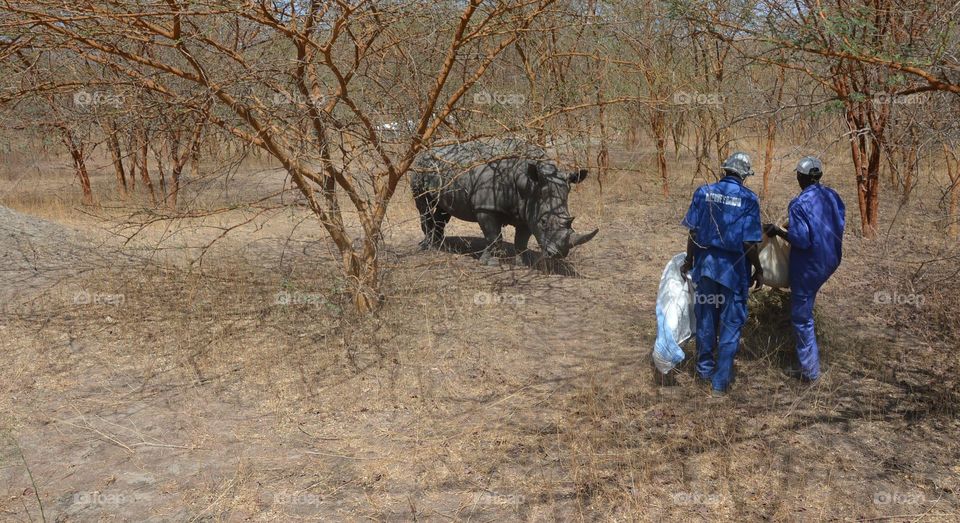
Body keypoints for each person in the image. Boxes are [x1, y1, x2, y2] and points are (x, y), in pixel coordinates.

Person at [680, 152, 764, 396]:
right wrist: (758, 269)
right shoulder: (749, 199)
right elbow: (749, 242)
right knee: (730, 323)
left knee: (706, 319)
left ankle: (704, 372)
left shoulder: (703, 192)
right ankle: (719, 384)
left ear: (725, 170)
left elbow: (693, 233)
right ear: (744, 176)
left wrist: (689, 260)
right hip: (734, 272)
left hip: (705, 267)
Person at [764, 157, 845, 383]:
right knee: (808, 302)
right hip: (831, 259)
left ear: (801, 177)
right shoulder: (833, 196)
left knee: (801, 318)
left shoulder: (798, 204)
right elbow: (835, 224)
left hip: (809, 264)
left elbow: (801, 240)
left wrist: (777, 231)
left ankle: (809, 372)